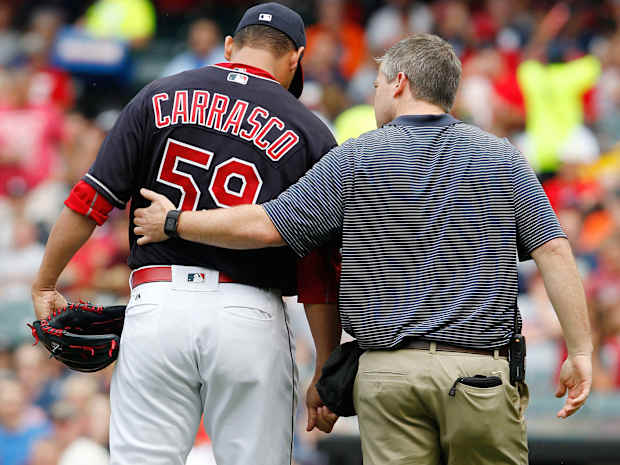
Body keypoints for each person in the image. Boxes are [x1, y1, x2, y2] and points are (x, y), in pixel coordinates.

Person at [134, 33, 594, 464]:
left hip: (387, 377)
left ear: (400, 84)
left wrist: (175, 221)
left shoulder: (357, 156)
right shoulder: (502, 157)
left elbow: (270, 225)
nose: (374, 96)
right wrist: (580, 352)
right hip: (480, 374)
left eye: (377, 84)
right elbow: (553, 251)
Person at [31, 3, 338, 465]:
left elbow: (90, 200)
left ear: (230, 46)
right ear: (295, 59)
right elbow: (317, 271)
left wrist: (46, 282)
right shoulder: (311, 131)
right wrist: (325, 364)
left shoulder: (158, 95)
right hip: (248, 314)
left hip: (158, 306)